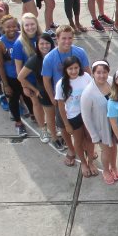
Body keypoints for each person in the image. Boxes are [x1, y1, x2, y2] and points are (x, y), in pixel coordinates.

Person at [41, 25, 92, 153]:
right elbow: (46, 80)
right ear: (57, 39)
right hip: (62, 99)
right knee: (64, 128)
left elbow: (87, 72)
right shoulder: (49, 58)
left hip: (80, 97)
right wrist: (53, 98)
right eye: (64, 38)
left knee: (85, 125)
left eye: (70, 38)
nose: (67, 41)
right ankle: (71, 150)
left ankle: (87, 147)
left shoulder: (80, 52)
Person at [81, 60, 118, 185]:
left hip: (115, 123)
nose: (102, 75)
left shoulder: (111, 81)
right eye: (98, 72)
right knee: (106, 150)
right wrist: (94, 135)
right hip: (101, 127)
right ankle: (106, 171)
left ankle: (113, 167)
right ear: (93, 73)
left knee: (113, 147)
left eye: (104, 72)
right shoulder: (88, 93)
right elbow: (86, 117)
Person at [0, 14, 33, 137]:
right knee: (13, 100)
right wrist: (5, 85)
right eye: (8, 27)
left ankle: (34, 115)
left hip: (25, 76)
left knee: (28, 96)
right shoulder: (0, 45)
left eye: (14, 26)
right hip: (11, 78)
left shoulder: (23, 37)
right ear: (3, 28)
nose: (11, 29)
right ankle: (18, 123)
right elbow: (0, 66)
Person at [55, 55, 96, 174]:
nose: (74, 71)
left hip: (87, 113)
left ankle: (91, 162)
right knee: (78, 140)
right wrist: (66, 124)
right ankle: (83, 163)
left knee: (90, 138)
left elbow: (93, 93)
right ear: (65, 69)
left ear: (80, 67)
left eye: (76, 68)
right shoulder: (61, 84)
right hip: (73, 116)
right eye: (70, 68)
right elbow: (61, 106)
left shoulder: (86, 76)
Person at [17, 32, 57, 144]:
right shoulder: (35, 59)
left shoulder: (55, 56)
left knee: (55, 115)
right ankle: (46, 132)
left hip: (56, 91)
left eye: (47, 43)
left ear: (52, 44)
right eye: (41, 44)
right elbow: (20, 77)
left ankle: (53, 129)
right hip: (43, 92)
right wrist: (34, 90)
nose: (45, 46)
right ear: (37, 45)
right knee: (49, 115)